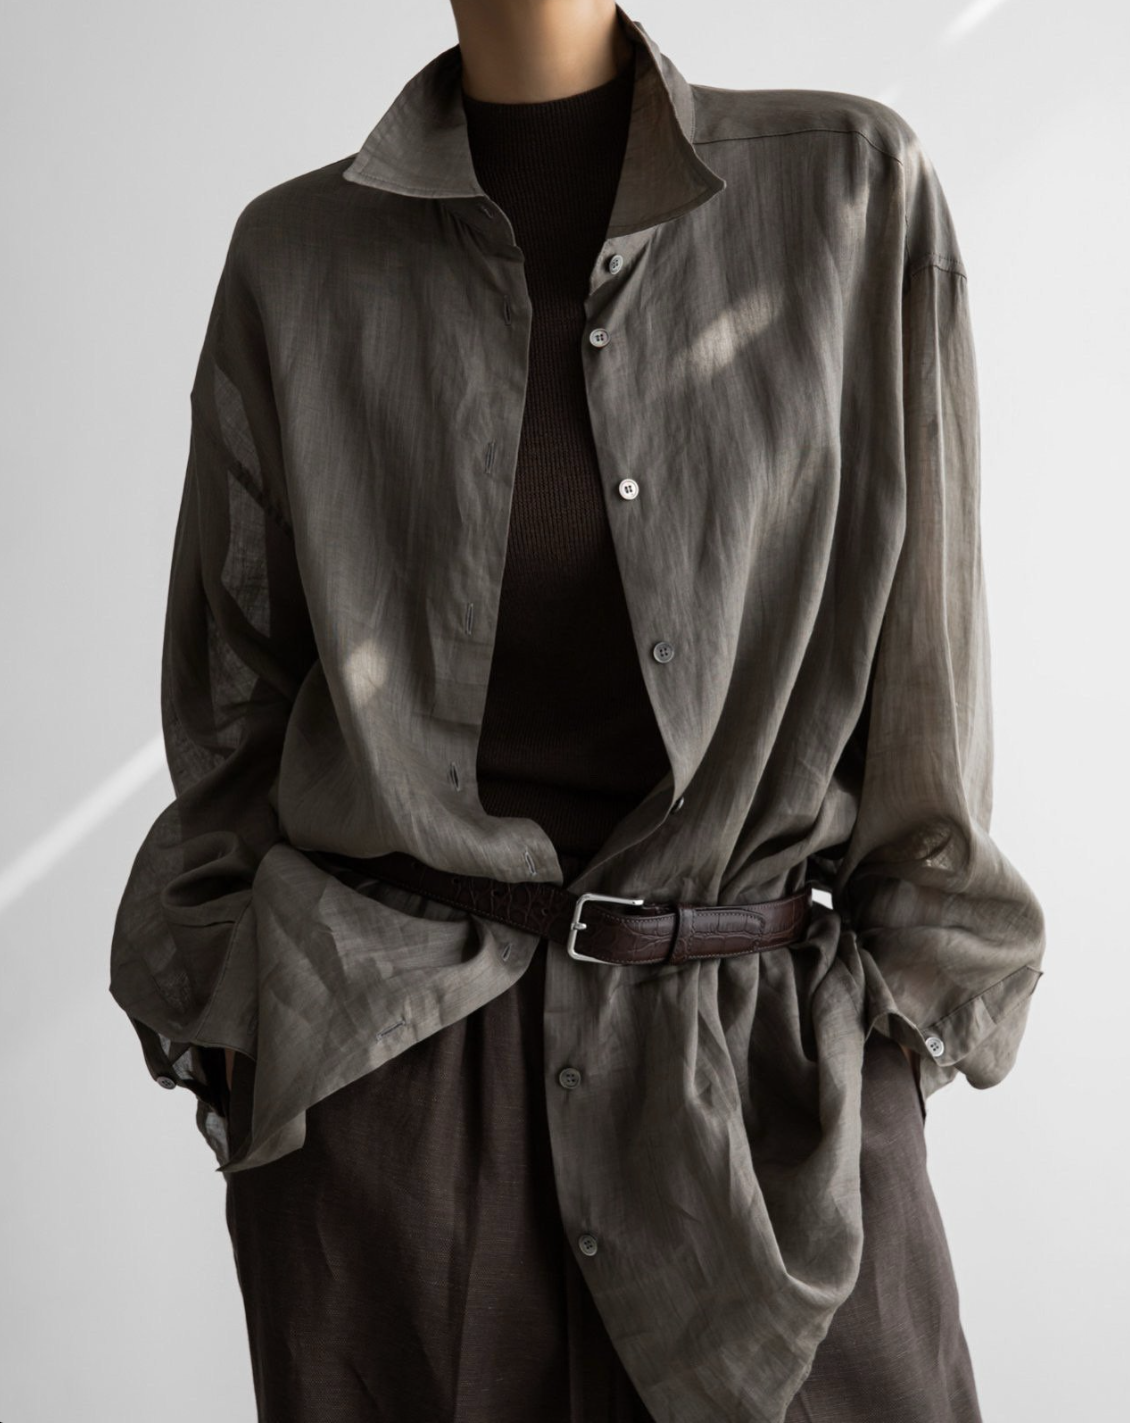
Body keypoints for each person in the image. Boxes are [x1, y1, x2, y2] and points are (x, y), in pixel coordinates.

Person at [109, 3, 1046, 1420]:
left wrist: (887, 1058)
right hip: (399, 1136)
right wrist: (258, 1045)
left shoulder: (852, 189)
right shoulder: (296, 259)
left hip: (767, 1112)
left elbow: (931, 691)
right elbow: (231, 719)